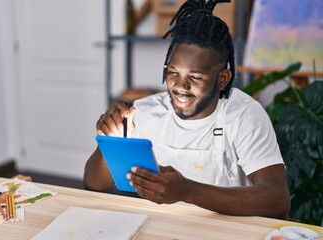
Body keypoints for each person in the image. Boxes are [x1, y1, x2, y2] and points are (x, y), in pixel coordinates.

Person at [84, 0, 290, 219]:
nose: (180, 86)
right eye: (173, 73)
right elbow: (93, 184)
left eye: (195, 77)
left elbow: (277, 200)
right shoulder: (146, 111)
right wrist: (108, 143)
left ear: (222, 79)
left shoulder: (244, 115)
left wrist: (187, 191)